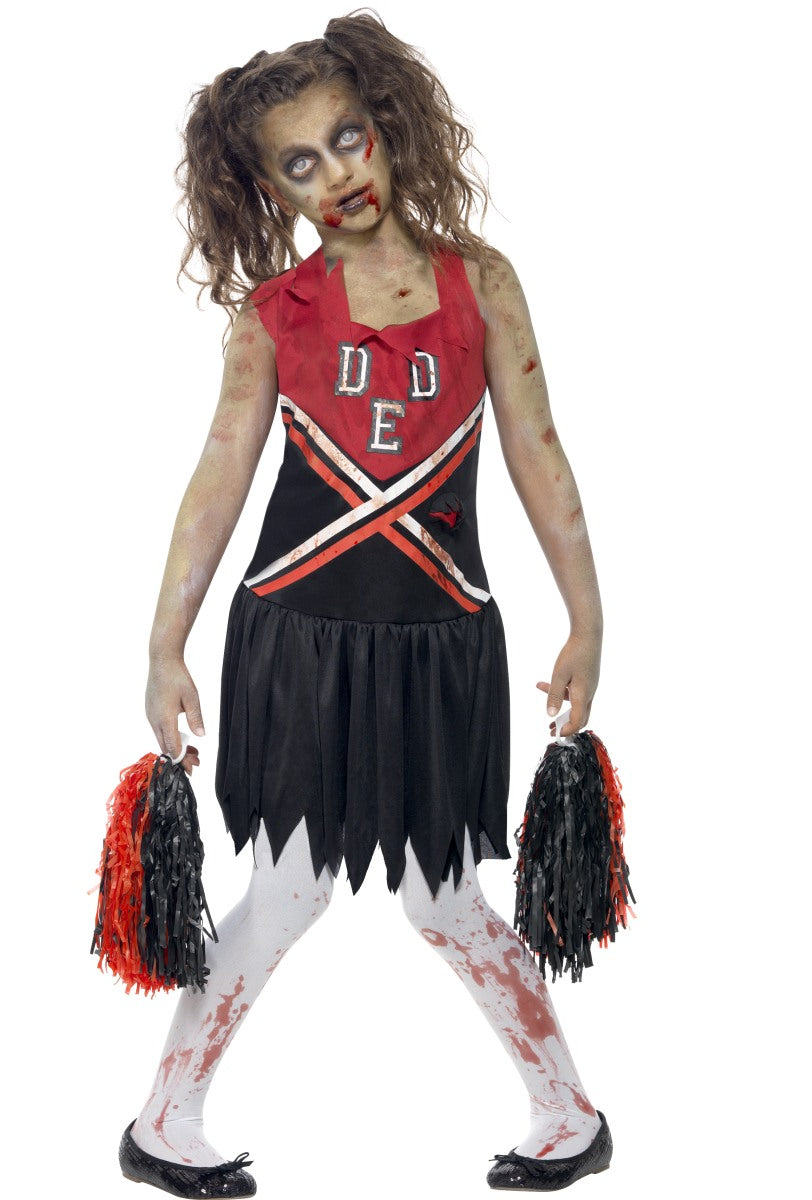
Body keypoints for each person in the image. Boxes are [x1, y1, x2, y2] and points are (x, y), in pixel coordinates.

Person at [117, 10, 612, 1197]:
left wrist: (588, 620)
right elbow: (217, 480)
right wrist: (165, 644)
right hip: (298, 641)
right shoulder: (273, 317)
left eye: (347, 138)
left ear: (385, 127)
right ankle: (163, 1121)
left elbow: (540, 454)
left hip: (441, 640)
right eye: (301, 163)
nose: (337, 174)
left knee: (442, 897)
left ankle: (569, 1112)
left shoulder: (481, 284)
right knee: (290, 888)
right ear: (270, 189)